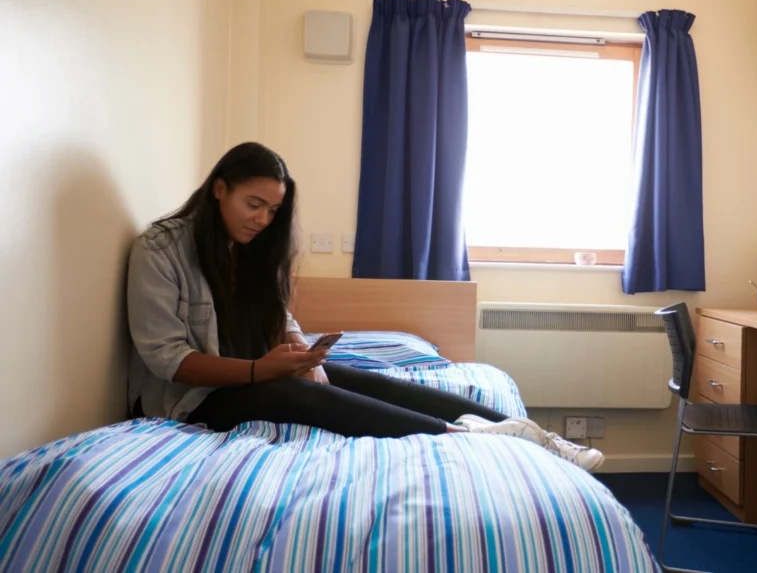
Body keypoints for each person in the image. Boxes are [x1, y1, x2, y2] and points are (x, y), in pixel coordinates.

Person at [126, 142, 603, 472]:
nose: (263, 220)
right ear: (219, 189)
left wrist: (297, 350)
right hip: (199, 401)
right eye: (254, 204)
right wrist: (258, 370)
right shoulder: (160, 249)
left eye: (273, 211)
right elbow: (168, 360)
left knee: (371, 383)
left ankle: (535, 435)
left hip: (263, 370)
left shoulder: (251, 248)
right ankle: (469, 438)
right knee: (305, 397)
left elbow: (280, 315)